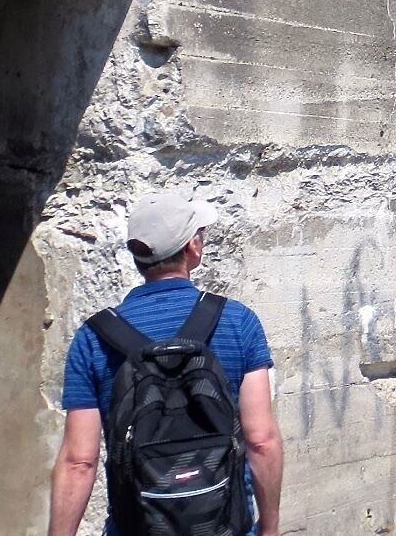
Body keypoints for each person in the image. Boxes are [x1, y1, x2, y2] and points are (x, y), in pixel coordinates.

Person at [50, 194, 284, 536]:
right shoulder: (238, 322)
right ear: (193, 248)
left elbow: (78, 462)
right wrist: (270, 529)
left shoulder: (93, 337)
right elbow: (261, 440)